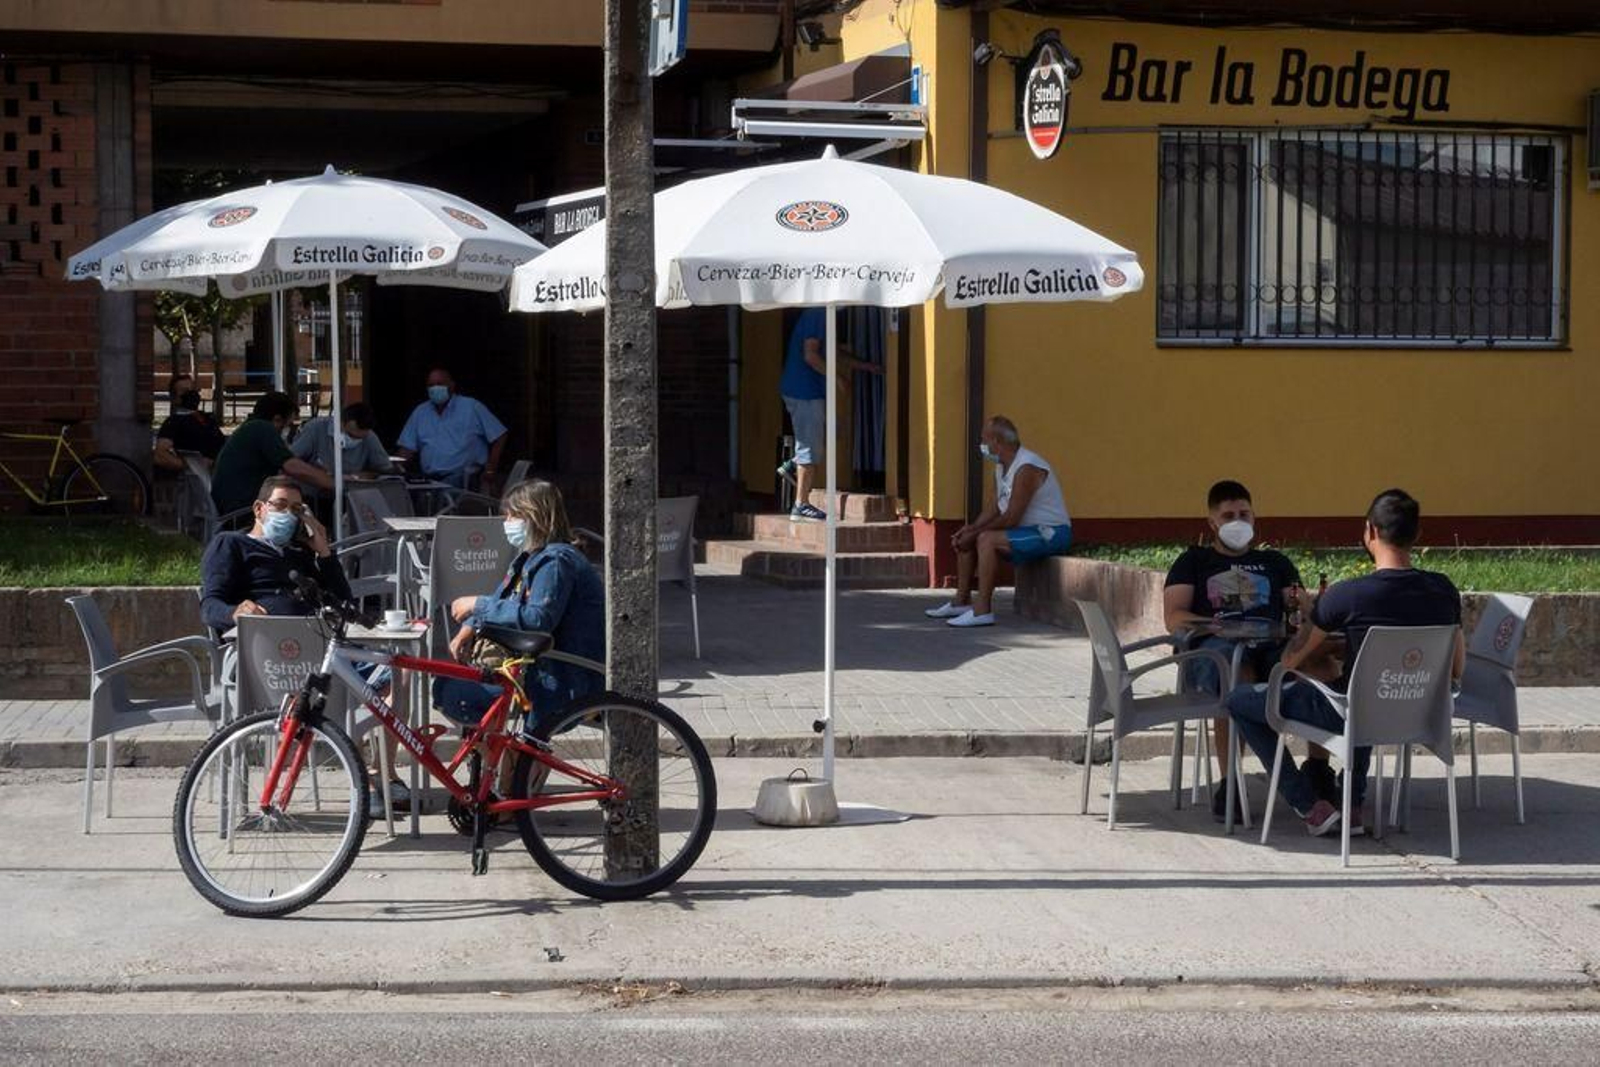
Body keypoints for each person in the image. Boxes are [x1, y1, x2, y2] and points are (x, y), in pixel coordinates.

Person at [1227, 489, 1464, 839]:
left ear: (1369, 532)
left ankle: (1308, 803)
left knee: (1239, 700)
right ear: (1417, 535)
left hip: (1354, 711)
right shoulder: (1444, 591)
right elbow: (1457, 669)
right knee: (1369, 688)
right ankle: (1352, 803)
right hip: (1422, 712)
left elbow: (1293, 658)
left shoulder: (1347, 595)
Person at [198, 475, 405, 813]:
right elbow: (209, 606)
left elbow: (343, 602)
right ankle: (363, 784)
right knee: (332, 689)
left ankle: (382, 774)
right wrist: (236, 611)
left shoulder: (301, 553)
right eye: (280, 505)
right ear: (259, 508)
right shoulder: (231, 544)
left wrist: (323, 549)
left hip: (323, 653)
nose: (288, 514)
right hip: (268, 658)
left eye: (297, 509)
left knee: (396, 671)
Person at [1163, 480, 1302, 821]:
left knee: (1317, 664)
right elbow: (1174, 617)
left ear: (1254, 517)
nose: (1237, 522)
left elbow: (1299, 605)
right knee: (1237, 671)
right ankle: (1231, 782)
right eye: (1228, 516)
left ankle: (1318, 770)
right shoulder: (1193, 561)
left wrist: (1300, 606)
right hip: (1215, 651)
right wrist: (1216, 626)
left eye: (1244, 514)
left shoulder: (1274, 561)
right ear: (1212, 522)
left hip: (1270, 645)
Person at [435, 479, 605, 734]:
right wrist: (468, 628)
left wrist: (477, 604)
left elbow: (537, 618)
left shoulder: (555, 562)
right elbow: (506, 597)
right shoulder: (531, 557)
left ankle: (512, 765)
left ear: (534, 517)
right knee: (449, 685)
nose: (507, 523)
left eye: (513, 516)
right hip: (534, 662)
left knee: (459, 692)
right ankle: (502, 765)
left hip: (559, 673)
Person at [924, 415, 1072, 628]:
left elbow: (1012, 517)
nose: (982, 445)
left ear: (998, 442)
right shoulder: (1001, 467)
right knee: (969, 537)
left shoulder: (1027, 467)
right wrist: (971, 528)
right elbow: (994, 506)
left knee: (986, 539)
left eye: (985, 440)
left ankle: (982, 611)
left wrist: (977, 532)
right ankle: (961, 602)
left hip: (1051, 533)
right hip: (1025, 531)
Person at [776, 307, 881, 522]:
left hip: (803, 390)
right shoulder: (818, 313)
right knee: (810, 445)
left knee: (820, 437)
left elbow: (832, 353)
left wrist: (868, 366)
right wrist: (837, 378)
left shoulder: (824, 315)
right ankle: (800, 505)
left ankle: (791, 466)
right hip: (804, 391)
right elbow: (811, 354)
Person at [210, 392, 333, 518]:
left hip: (232, 505)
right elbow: (292, 466)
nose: (288, 430)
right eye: (288, 425)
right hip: (243, 509)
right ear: (277, 419)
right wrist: (334, 483)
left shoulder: (249, 428)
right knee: (321, 507)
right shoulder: (263, 429)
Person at [394, 368, 508, 494]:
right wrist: (393, 469)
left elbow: (499, 435)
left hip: (464, 479)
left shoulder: (471, 407)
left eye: (440, 384)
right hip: (429, 479)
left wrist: (491, 469)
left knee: (446, 493)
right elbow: (407, 449)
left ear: (452, 386)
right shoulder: (420, 412)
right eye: (431, 385)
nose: (435, 388)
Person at [290, 402, 396, 479]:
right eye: (350, 435)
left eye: (360, 438)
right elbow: (290, 461)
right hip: (315, 494)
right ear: (340, 423)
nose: (354, 440)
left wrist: (365, 475)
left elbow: (385, 470)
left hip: (350, 494)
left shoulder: (370, 437)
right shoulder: (315, 428)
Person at [153, 374, 226, 472]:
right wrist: (192, 466)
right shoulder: (174, 421)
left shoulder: (205, 417)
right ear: (175, 398)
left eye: (192, 390)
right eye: (185, 391)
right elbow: (160, 455)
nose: (191, 394)